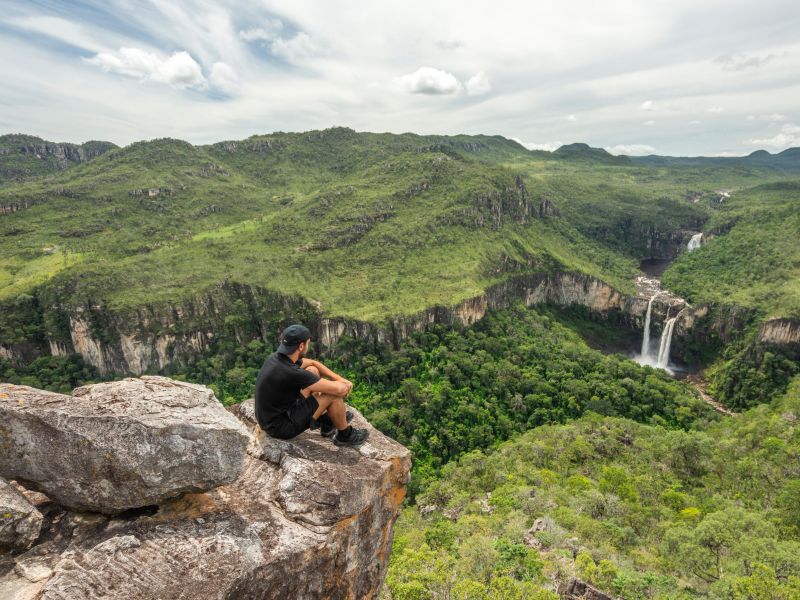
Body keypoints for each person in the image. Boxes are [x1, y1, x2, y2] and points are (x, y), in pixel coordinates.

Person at [254, 324, 369, 446]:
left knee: (312, 370)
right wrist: (345, 384)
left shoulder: (279, 358)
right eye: (308, 343)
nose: (309, 346)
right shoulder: (292, 372)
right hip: (280, 427)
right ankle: (345, 435)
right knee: (332, 395)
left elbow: (313, 363)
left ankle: (328, 423)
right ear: (301, 346)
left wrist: (338, 378)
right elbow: (340, 390)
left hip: (275, 416)